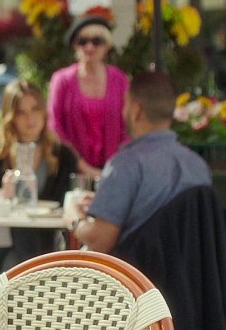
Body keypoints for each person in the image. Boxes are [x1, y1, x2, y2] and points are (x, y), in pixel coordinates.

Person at [71, 71, 212, 252]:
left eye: (125, 105)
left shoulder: (125, 165)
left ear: (136, 110)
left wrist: (75, 219)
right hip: (188, 268)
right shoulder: (198, 165)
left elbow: (100, 242)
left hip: (135, 269)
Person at [0, 79, 77, 273]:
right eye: (21, 112)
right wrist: (4, 193)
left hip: (43, 243)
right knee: (18, 258)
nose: (30, 118)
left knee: (15, 262)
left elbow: (66, 202)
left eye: (35, 109)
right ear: (10, 116)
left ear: (44, 111)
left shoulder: (62, 155)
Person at [47, 15, 128, 178]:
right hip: (72, 171)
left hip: (116, 169)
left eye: (97, 41)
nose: (89, 47)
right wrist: (83, 167)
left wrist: (114, 166)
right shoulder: (61, 80)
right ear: (75, 45)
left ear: (107, 45)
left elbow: (130, 125)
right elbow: (55, 126)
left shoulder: (120, 80)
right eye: (82, 41)